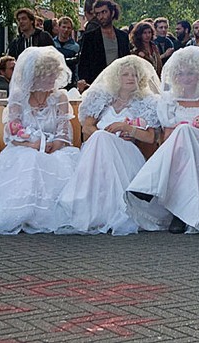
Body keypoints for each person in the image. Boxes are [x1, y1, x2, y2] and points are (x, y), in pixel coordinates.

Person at [0, 47, 79, 234]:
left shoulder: (60, 97)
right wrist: (32, 144)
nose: (53, 79)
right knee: (29, 160)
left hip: (54, 148)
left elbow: (64, 131)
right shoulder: (19, 98)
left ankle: (48, 214)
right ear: (36, 75)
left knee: (59, 161)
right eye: (48, 74)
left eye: (55, 73)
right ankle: (23, 212)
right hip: (25, 147)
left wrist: (55, 144)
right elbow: (12, 132)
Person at [125, 46, 199, 234]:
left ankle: (147, 185)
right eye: (180, 74)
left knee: (183, 130)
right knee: (180, 136)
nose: (185, 78)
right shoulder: (169, 102)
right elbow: (166, 137)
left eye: (191, 73)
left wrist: (190, 134)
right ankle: (179, 215)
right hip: (180, 154)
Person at [56, 56, 160, 235]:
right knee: (100, 138)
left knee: (101, 139)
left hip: (126, 152)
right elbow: (87, 127)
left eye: (134, 75)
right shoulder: (102, 98)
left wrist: (127, 128)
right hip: (96, 150)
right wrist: (102, 136)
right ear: (116, 78)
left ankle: (107, 209)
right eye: (125, 74)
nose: (130, 78)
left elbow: (151, 137)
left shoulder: (147, 102)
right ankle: (92, 210)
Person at [78, 0, 131, 89]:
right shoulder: (90, 37)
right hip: (98, 84)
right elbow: (83, 64)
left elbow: (127, 61)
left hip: (119, 84)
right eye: (98, 14)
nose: (101, 16)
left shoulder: (123, 36)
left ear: (112, 12)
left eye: (104, 12)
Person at [53, 16, 80, 89]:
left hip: (69, 83)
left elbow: (77, 66)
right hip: (53, 82)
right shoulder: (51, 44)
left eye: (68, 28)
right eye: (63, 27)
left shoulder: (75, 47)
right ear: (58, 27)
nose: (66, 30)